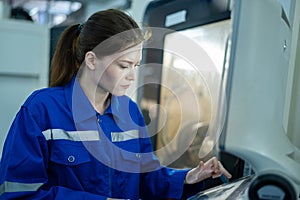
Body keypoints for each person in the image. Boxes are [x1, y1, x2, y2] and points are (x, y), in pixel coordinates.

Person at [0, 9, 231, 200]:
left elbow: (147, 177)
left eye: (136, 65)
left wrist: (188, 177)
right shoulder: (41, 110)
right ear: (91, 60)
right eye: (123, 65)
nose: (132, 76)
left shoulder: (129, 111)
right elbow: (18, 194)